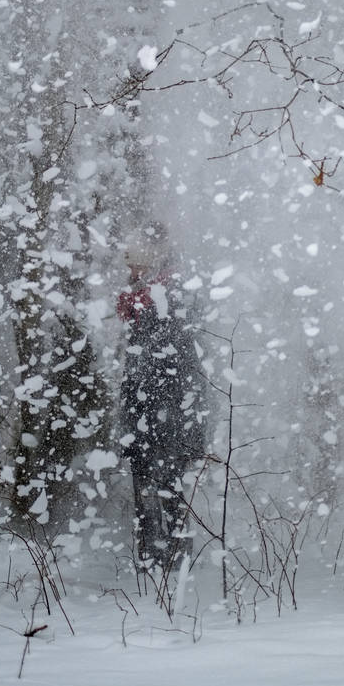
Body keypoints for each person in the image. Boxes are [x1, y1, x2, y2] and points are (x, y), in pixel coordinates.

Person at [117, 226, 208, 567]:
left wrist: (156, 403)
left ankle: (174, 561)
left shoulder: (170, 293)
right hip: (147, 404)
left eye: (134, 264)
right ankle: (152, 559)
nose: (130, 273)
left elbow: (177, 358)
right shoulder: (142, 297)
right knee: (146, 478)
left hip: (169, 404)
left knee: (167, 480)